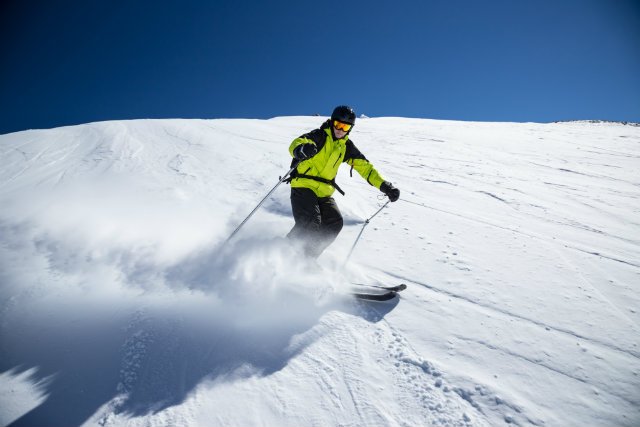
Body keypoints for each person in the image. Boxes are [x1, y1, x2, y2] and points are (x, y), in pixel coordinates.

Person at [286, 105, 400, 259]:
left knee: (335, 223)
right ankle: (283, 252)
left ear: (350, 128)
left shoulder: (346, 147)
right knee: (311, 222)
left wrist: (385, 186)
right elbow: (296, 143)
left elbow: (365, 168)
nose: (340, 129)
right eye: (338, 125)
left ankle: (307, 258)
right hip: (303, 185)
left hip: (325, 192)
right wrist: (301, 149)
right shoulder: (319, 136)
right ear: (332, 122)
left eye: (345, 126)